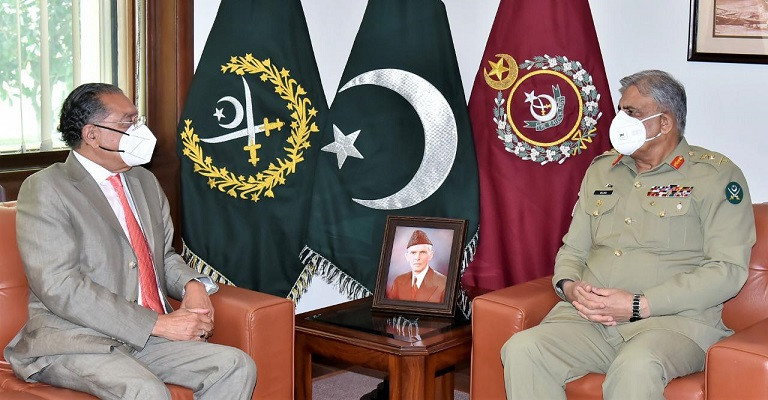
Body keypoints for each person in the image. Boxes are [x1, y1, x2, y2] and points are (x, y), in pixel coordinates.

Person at [501, 70, 756, 400]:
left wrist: (640, 305)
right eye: (621, 110)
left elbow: (728, 270)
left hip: (671, 323)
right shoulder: (602, 169)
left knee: (636, 367)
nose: (620, 120)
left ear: (664, 123)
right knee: (523, 349)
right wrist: (570, 287)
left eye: (631, 113)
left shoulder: (715, 175)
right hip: (587, 321)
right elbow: (573, 248)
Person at [3, 83, 256, 399]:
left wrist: (193, 286)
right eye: (128, 123)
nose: (140, 131)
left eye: (138, 120)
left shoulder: (144, 180)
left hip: (145, 339)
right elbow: (60, 286)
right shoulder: (46, 188)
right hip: (75, 340)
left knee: (235, 365)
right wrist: (157, 325)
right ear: (92, 134)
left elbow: (162, 254)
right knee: (146, 391)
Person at [386, 229, 447, 303]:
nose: (417, 257)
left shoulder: (443, 283)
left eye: (422, 252)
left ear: (430, 255)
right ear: (407, 256)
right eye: (413, 253)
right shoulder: (399, 281)